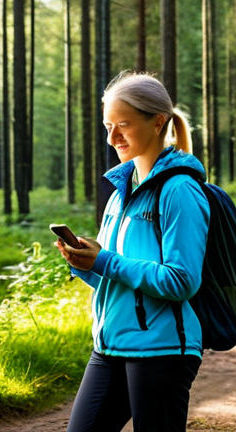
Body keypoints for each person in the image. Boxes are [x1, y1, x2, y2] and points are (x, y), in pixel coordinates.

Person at [55, 71, 210, 432]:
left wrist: (106, 261)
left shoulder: (179, 191)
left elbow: (182, 280)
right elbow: (118, 275)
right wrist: (86, 264)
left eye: (123, 124)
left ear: (157, 123)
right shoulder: (120, 192)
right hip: (110, 346)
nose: (112, 137)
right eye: (108, 125)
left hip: (163, 350)